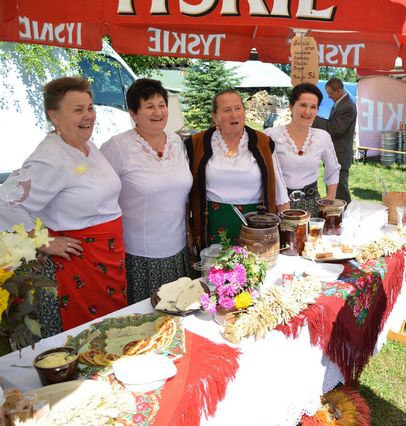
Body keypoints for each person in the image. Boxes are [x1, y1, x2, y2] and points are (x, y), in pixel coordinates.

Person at [0, 76, 127, 335]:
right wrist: (43, 241)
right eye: (78, 110)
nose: (88, 116)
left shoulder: (86, 146)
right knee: (87, 335)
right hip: (80, 261)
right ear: (54, 116)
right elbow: (5, 202)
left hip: (108, 256)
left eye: (90, 107)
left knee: (110, 330)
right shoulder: (51, 156)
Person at [100, 79, 192, 304]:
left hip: (178, 251)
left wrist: (189, 234)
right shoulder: (118, 146)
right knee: (147, 324)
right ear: (133, 113)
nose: (158, 112)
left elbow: (183, 197)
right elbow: (99, 195)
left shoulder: (177, 142)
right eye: (149, 106)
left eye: (162, 104)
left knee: (178, 316)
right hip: (140, 256)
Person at [185, 89, 289, 251]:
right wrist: (188, 231)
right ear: (215, 116)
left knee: (253, 272)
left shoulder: (263, 143)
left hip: (255, 227)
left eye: (238, 108)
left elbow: (280, 190)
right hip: (212, 226)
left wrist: (285, 234)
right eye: (227, 110)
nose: (234, 115)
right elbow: (185, 193)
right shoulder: (196, 143)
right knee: (216, 274)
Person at [264, 83, 341, 216]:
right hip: (278, 205)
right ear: (291, 107)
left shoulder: (322, 137)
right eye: (303, 105)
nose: (307, 112)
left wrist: (330, 199)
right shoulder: (271, 135)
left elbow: (333, 168)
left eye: (313, 107)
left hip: (311, 205)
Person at [312, 78, 357, 203]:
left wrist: (314, 118)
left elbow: (335, 129)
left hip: (340, 156)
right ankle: (336, 215)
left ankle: (344, 216)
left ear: (338, 91)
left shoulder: (347, 106)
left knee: (340, 193)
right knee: (333, 189)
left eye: (330, 93)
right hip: (336, 154)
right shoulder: (340, 104)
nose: (329, 97)